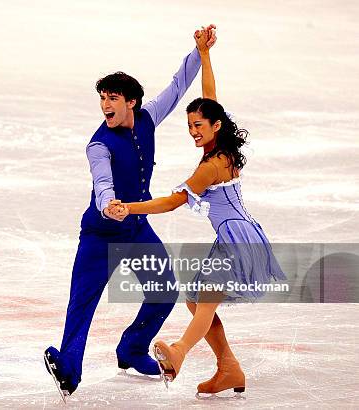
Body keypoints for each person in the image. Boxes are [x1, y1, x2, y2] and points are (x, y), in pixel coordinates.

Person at [109, 28, 286, 397]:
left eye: (198, 125)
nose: (193, 131)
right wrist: (204, 54)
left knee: (203, 300)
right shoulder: (223, 142)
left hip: (237, 239)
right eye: (190, 125)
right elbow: (210, 97)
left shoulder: (211, 166)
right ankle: (229, 368)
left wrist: (130, 208)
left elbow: (173, 201)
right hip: (240, 235)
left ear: (215, 126)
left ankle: (179, 352)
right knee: (196, 299)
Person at [44, 26, 217, 401]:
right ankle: (69, 368)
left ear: (132, 102)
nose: (106, 104)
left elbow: (178, 85)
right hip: (100, 234)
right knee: (82, 303)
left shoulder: (149, 117)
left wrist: (198, 50)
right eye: (103, 98)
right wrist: (108, 203)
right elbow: (102, 179)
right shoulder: (98, 144)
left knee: (165, 290)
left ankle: (132, 349)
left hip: (137, 230)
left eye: (113, 98)